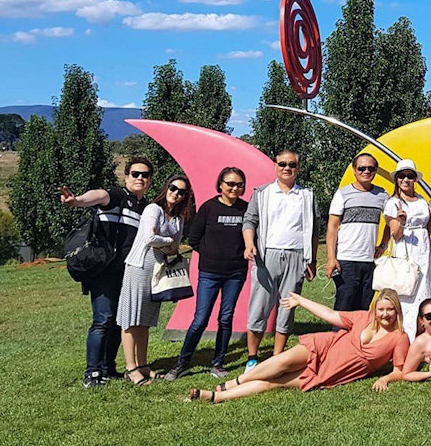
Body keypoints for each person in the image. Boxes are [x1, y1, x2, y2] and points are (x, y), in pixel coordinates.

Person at [187, 289, 409, 402]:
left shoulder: (400, 337)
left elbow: (399, 370)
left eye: (390, 310)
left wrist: (385, 377)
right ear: (375, 309)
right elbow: (330, 314)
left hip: (334, 370)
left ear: (397, 310)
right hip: (324, 346)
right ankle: (234, 382)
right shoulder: (363, 317)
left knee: (273, 383)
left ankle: (217, 396)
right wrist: (301, 301)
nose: (385, 314)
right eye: (382, 309)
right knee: (281, 361)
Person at [59, 156, 155, 388]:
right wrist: (78, 200)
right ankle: (92, 372)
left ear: (150, 180)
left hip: (129, 273)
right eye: (135, 174)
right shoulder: (118, 196)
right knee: (103, 319)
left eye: (145, 175)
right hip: (105, 271)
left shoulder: (146, 208)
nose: (140, 178)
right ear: (126, 176)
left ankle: (107, 367)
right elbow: (99, 195)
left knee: (118, 321)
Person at [165, 167, 250, 380]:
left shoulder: (247, 209)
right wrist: (211, 254)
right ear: (220, 184)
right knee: (200, 319)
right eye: (230, 183)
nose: (234, 188)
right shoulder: (209, 208)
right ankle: (183, 362)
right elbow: (194, 239)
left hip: (236, 273)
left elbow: (252, 235)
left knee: (226, 317)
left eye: (239, 184)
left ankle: (218, 362)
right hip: (209, 273)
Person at [116, 173, 195, 385]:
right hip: (140, 266)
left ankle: (143, 365)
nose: (176, 194)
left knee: (146, 321)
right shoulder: (153, 209)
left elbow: (175, 247)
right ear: (166, 188)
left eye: (182, 192)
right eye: (173, 188)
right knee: (131, 320)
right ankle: (130, 368)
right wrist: (167, 241)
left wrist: (166, 243)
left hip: (158, 271)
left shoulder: (178, 219)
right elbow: (149, 238)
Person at [242, 149, 318, 368]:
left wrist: (310, 259)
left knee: (287, 307)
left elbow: (314, 230)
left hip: (296, 256)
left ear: (298, 168)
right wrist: (249, 244)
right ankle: (252, 358)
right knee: (259, 306)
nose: (287, 168)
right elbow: (250, 221)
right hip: (267, 256)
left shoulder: (307, 195)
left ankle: (277, 357)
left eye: (292, 164)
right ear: (275, 166)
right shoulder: (262, 193)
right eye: (283, 164)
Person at [383, 158, 431, 338]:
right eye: (402, 176)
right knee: (407, 290)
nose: (406, 180)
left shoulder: (423, 201)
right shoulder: (393, 203)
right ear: (397, 179)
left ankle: (426, 330)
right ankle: (405, 335)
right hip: (405, 249)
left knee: (425, 287)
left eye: (410, 176)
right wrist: (400, 221)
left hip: (423, 249)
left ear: (415, 179)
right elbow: (395, 234)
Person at [326, 152, 390, 311]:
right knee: (344, 305)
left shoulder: (382, 195)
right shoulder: (343, 194)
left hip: (369, 261)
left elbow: (390, 221)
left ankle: (358, 336)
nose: (366, 172)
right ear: (354, 170)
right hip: (346, 260)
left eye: (371, 168)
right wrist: (331, 258)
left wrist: (383, 245)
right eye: (362, 168)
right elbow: (332, 227)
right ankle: (338, 335)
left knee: (364, 307)